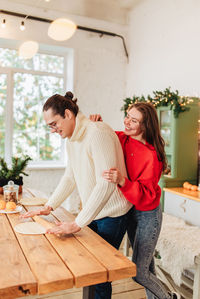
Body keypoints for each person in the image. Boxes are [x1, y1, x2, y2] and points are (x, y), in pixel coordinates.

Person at [21, 91, 133, 299]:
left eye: (54, 124)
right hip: (93, 212)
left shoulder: (97, 133)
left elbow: (106, 184)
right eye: (50, 127)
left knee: (100, 274)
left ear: (68, 114)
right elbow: (70, 177)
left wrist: (77, 223)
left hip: (113, 214)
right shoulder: (72, 139)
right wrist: (49, 206)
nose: (53, 130)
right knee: (90, 270)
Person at [90, 103, 180, 299]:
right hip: (130, 209)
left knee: (139, 272)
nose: (127, 122)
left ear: (145, 125)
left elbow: (146, 194)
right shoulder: (123, 138)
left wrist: (122, 180)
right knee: (146, 267)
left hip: (147, 213)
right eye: (127, 116)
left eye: (134, 120)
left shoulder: (152, 155)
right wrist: (98, 124)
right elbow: (105, 138)